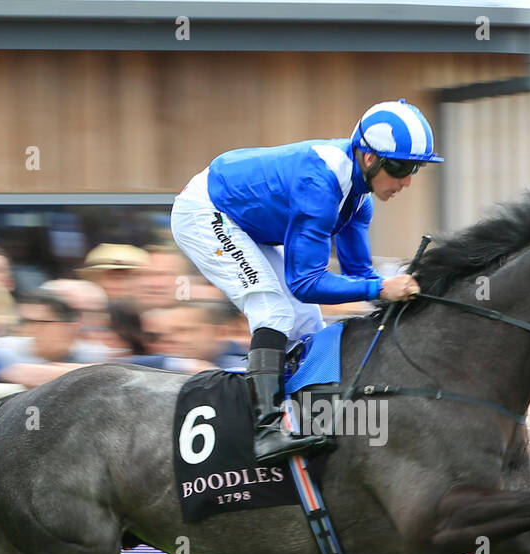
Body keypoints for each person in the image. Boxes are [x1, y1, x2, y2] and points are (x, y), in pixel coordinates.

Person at [170, 99, 440, 464]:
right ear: (369, 158)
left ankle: (311, 417)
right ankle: (266, 430)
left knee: (309, 323)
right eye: (401, 168)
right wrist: (381, 288)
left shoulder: (360, 199)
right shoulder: (321, 184)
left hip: (246, 225)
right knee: (273, 310)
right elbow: (306, 282)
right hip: (206, 212)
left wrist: (406, 293)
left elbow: (361, 276)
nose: (407, 181)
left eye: (416, 170)